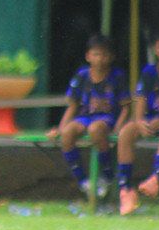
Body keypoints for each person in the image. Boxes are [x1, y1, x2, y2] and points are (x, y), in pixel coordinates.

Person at [47, 34, 130, 200]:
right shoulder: (82, 76)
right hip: (85, 117)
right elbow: (73, 105)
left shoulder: (117, 76)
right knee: (68, 133)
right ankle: (82, 180)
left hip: (106, 118)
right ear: (88, 56)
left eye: (104, 55)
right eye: (96, 54)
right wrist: (61, 128)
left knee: (95, 130)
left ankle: (107, 175)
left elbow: (126, 107)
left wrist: (119, 128)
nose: (100, 59)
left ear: (111, 57)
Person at [117, 26, 159, 215]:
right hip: (151, 118)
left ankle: (156, 177)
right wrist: (139, 120)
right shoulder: (148, 72)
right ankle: (125, 190)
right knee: (125, 133)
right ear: (155, 49)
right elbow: (140, 99)